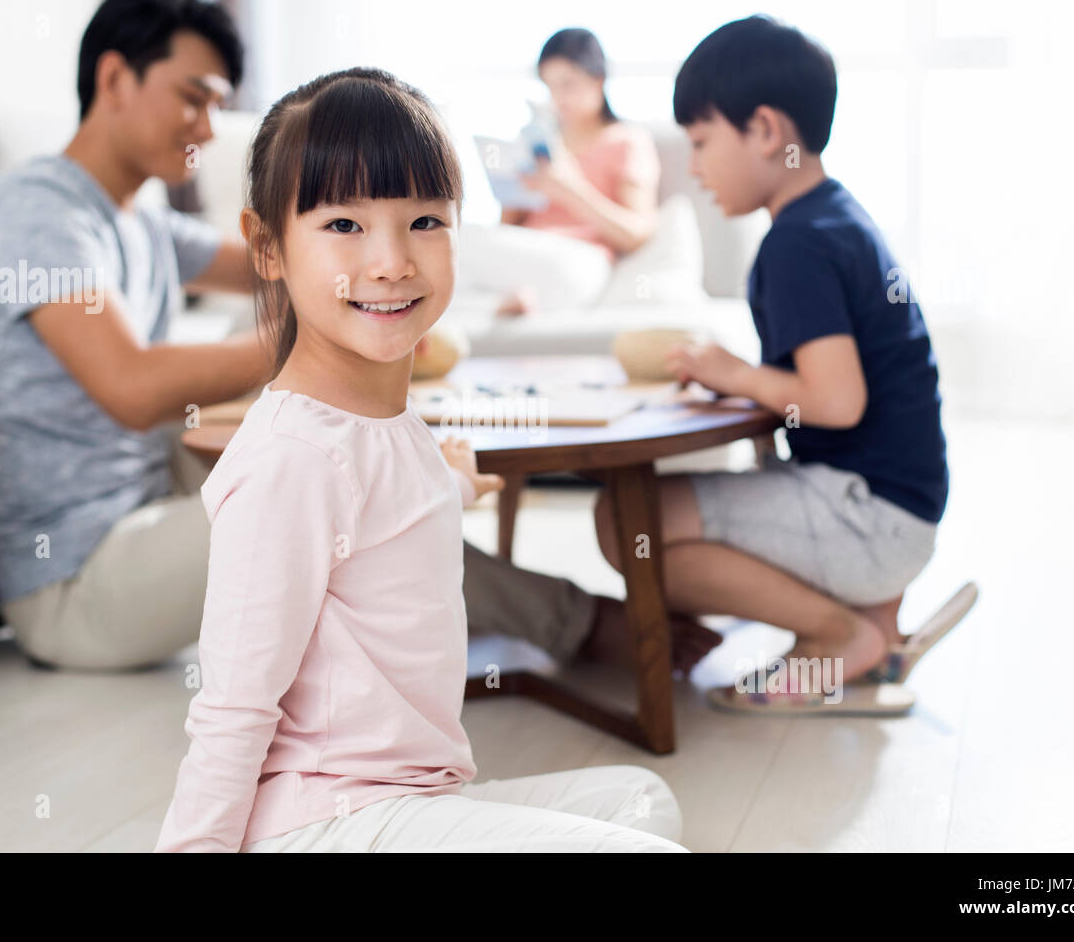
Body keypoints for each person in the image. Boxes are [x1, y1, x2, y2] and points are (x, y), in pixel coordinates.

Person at [0, 0, 713, 676]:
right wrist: (327, 329)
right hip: (78, 575)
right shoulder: (41, 210)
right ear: (114, 79)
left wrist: (385, 262)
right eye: (195, 97)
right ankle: (586, 623)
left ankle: (482, 623)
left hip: (152, 498)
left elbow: (287, 255)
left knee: (365, 466)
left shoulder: (137, 219)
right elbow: (134, 391)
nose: (211, 126)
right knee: (351, 497)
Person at [154, 67, 687, 852]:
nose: (392, 261)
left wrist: (454, 485)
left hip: (412, 800)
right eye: (344, 225)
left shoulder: (388, 422)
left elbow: (388, 511)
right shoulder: (288, 461)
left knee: (642, 804)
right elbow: (233, 709)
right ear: (266, 246)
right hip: (326, 822)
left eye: (425, 221)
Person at [595, 15, 952, 709]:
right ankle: (867, 622)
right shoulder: (836, 217)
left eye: (701, 142)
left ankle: (839, 632)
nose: (694, 168)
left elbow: (837, 400)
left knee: (622, 524)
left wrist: (729, 371)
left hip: (869, 518)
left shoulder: (796, 245)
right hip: (900, 512)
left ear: (765, 131)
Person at [460, 27, 661, 318]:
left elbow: (637, 233)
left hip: (577, 258)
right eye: (550, 87)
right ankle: (510, 302)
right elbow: (507, 231)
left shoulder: (627, 141)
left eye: (568, 84)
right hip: (523, 252)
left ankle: (507, 304)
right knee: (451, 240)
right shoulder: (540, 140)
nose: (558, 98)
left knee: (568, 274)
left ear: (598, 79)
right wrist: (513, 191)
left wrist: (570, 190)